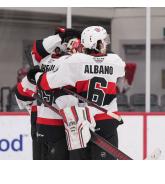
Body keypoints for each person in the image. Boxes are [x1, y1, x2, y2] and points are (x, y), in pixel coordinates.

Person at [32, 26, 126, 160]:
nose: (106, 43)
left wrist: (36, 75)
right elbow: (118, 68)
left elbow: (46, 84)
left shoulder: (74, 62)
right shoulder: (115, 61)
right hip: (108, 122)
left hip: (84, 124)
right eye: (103, 41)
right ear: (96, 43)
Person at [16, 27, 82, 159]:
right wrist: (61, 37)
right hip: (60, 123)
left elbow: (20, 96)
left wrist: (30, 107)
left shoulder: (42, 61)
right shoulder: (67, 62)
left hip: (40, 120)